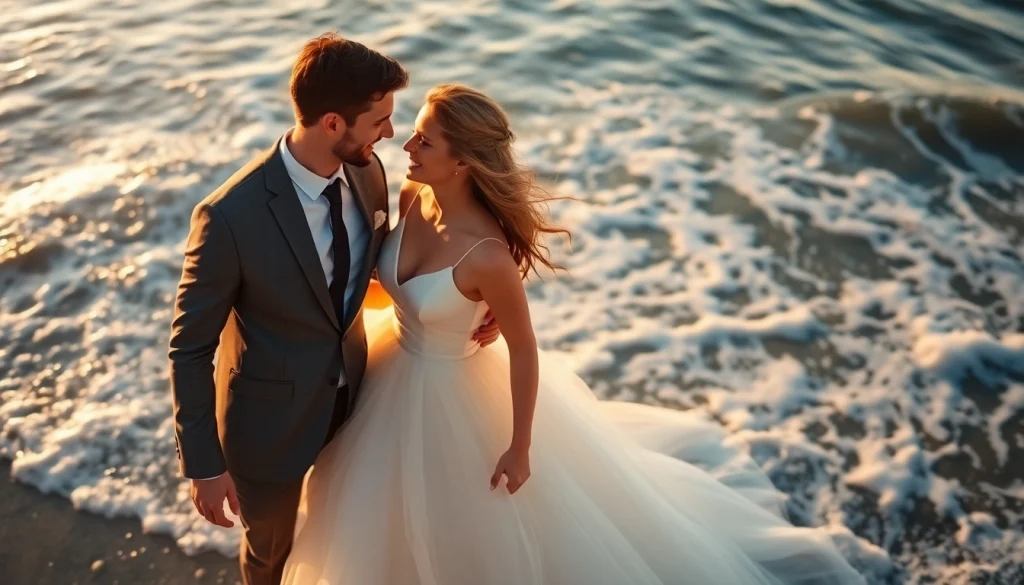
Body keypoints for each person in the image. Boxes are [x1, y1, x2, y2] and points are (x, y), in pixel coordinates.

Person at [280, 84, 867, 585]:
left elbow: (525, 351)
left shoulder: (488, 257)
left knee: (458, 530)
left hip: (451, 399)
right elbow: (384, 289)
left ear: (463, 160)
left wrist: (520, 445)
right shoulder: (410, 198)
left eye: (425, 140)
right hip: (388, 373)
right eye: (413, 134)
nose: (406, 146)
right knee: (367, 516)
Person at [167, 36, 499, 585]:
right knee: (270, 556)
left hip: (360, 405)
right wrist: (203, 465)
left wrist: (472, 303)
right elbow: (189, 346)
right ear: (331, 124)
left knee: (354, 540)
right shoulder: (228, 217)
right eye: (380, 121)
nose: (391, 135)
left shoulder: (369, 174)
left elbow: (378, 274)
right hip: (267, 428)